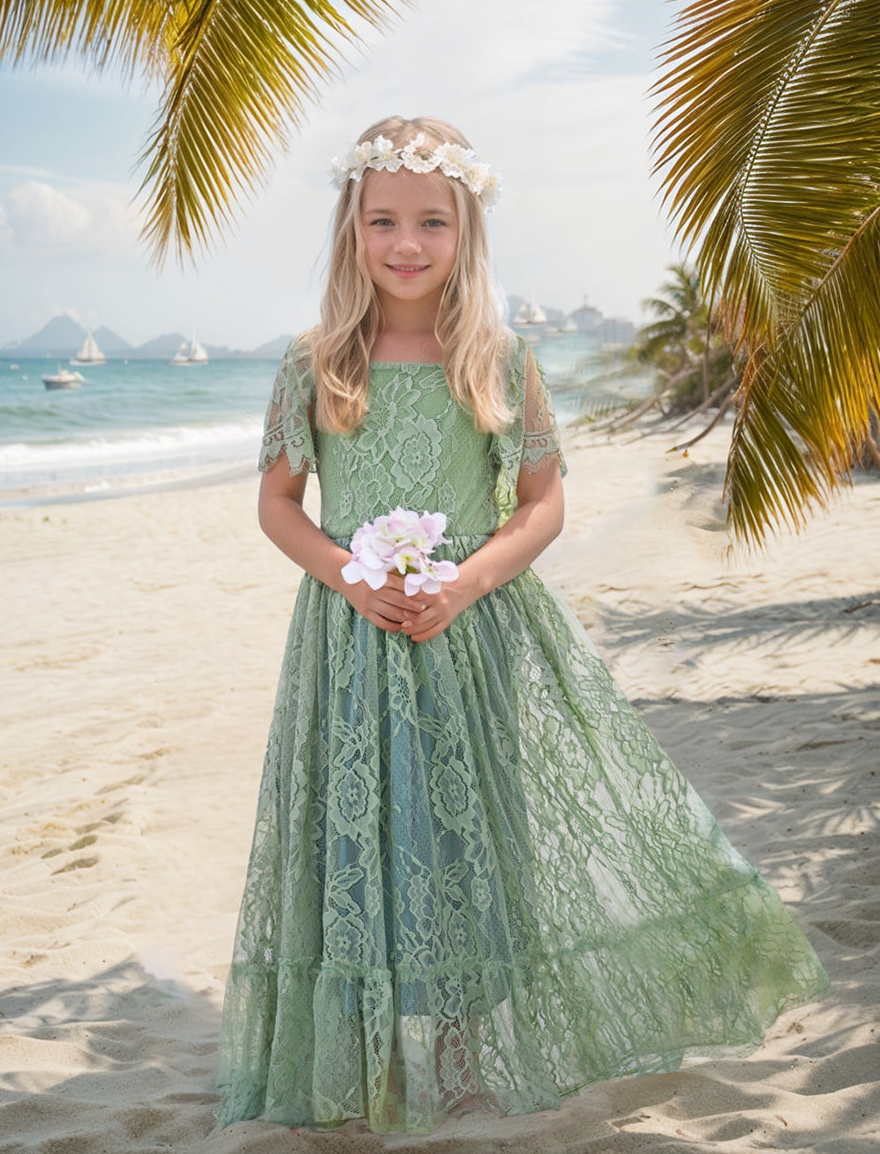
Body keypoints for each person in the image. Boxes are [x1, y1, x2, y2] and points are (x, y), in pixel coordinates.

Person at [215, 116, 828, 1135]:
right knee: (358, 835)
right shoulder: (316, 364)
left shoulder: (499, 358)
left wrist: (465, 583)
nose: (406, 245)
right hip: (349, 644)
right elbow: (279, 504)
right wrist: (349, 578)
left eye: (430, 223)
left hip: (476, 633)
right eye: (383, 222)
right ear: (349, 231)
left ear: (466, 231)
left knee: (464, 841)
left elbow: (542, 504)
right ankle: (363, 1055)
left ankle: (463, 1063)